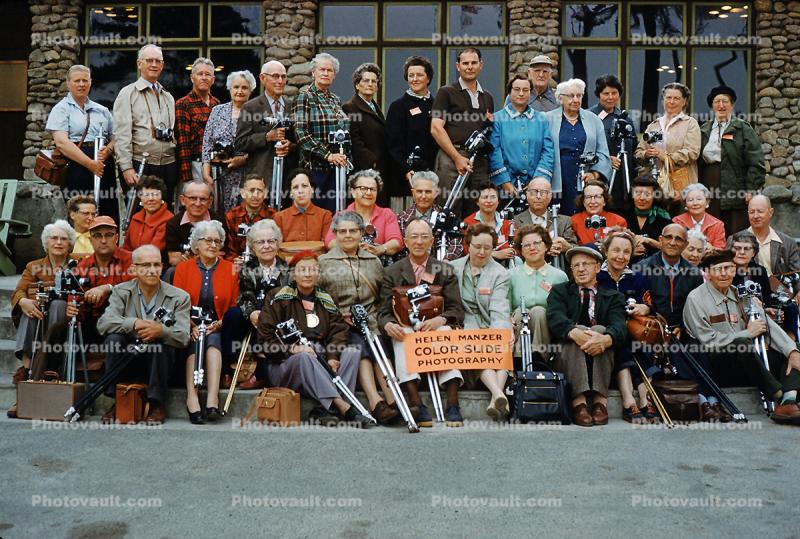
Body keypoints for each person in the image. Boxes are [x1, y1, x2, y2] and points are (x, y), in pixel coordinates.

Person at [258, 251, 373, 428]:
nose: (307, 274)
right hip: (286, 364)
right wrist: (293, 349)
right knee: (305, 356)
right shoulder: (277, 297)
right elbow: (265, 339)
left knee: (351, 352)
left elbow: (339, 331)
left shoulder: (326, 299)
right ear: (293, 273)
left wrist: (333, 356)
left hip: (320, 359)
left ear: (319, 273)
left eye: (312, 269)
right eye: (302, 269)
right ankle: (343, 407)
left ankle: (325, 410)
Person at [683, 250, 800, 425]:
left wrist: (792, 350)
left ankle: (788, 402)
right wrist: (747, 333)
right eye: (718, 269)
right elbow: (707, 340)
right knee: (741, 342)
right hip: (718, 364)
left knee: (791, 348)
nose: (724, 273)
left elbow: (768, 325)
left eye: (729, 268)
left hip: (750, 363)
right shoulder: (696, 299)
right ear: (707, 273)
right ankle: (777, 393)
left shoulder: (741, 293)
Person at [378, 218, 466, 427]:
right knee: (402, 336)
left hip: (435, 327)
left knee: (446, 332)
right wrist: (389, 325)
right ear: (406, 242)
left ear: (432, 241)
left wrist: (440, 319)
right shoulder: (392, 272)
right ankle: (417, 403)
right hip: (407, 326)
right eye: (414, 237)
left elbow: (457, 310)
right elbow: (383, 311)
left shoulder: (443, 270)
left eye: (424, 237)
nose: (419, 241)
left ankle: (453, 403)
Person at [318, 211, 399, 424]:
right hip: (339, 323)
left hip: (370, 319)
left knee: (378, 345)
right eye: (342, 231)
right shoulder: (324, 262)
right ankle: (375, 402)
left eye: (353, 231)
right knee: (359, 345)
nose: (347, 235)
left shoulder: (373, 261)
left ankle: (394, 399)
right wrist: (336, 315)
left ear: (361, 233)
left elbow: (383, 295)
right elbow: (317, 298)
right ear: (334, 234)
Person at [96, 245, 191, 425]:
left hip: (161, 363)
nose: (152, 270)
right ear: (134, 269)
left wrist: (161, 331)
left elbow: (184, 336)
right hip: (130, 357)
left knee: (162, 343)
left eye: (156, 265)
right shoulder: (121, 291)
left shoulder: (179, 296)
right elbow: (104, 324)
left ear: (162, 267)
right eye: (145, 265)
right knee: (113, 339)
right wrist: (134, 323)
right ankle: (120, 399)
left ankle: (156, 403)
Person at [547, 246, 627, 427]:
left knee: (599, 329)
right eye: (576, 266)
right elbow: (555, 318)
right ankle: (579, 402)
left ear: (598, 268)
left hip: (602, 352)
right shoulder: (560, 291)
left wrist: (606, 339)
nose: (581, 269)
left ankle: (600, 401)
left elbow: (619, 326)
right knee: (580, 329)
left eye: (586, 264)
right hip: (568, 353)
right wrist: (575, 333)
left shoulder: (613, 296)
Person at [173, 220, 239, 424]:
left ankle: (212, 399)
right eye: (208, 240)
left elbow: (234, 304)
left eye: (217, 241)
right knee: (195, 340)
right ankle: (192, 398)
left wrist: (219, 323)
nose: (213, 245)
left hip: (218, 324)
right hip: (190, 323)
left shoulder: (231, 269)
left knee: (214, 341)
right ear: (196, 244)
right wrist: (191, 326)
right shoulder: (183, 269)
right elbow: (177, 302)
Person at [451, 223, 512, 420]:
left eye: (488, 247)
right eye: (477, 246)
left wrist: (499, 333)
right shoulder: (453, 268)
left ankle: (497, 396)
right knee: (476, 343)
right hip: (466, 325)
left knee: (502, 342)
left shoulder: (500, 273)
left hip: (491, 321)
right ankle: (499, 395)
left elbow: (500, 309)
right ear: (468, 244)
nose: (482, 252)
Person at [597, 230, 659, 423]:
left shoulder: (638, 278)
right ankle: (628, 398)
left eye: (626, 251)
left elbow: (650, 304)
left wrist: (645, 307)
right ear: (606, 251)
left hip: (634, 329)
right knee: (623, 339)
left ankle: (644, 397)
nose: (620, 256)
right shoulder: (598, 276)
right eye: (615, 250)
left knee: (639, 341)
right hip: (608, 328)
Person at [10, 220, 77, 390]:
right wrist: (23, 301)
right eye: (54, 238)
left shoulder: (78, 265)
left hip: (64, 320)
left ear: (70, 244)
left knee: (57, 305)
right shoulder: (34, 266)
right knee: (30, 309)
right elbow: (19, 291)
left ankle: (50, 365)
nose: (58, 242)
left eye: (63, 239)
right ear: (46, 243)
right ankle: (26, 367)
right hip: (39, 318)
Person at [223, 219, 290, 390]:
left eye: (271, 241)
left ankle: (261, 374)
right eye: (261, 242)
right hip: (253, 315)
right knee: (232, 315)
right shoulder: (246, 268)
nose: (266, 246)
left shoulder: (287, 269)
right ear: (253, 247)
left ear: (278, 243)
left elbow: (287, 300)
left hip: (276, 317)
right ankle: (230, 369)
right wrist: (251, 313)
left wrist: (266, 316)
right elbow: (244, 296)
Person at [431, 47, 495, 217]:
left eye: (474, 63)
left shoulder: (487, 97)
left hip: (478, 161)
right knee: (448, 209)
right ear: (458, 66)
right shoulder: (446, 92)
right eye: (465, 63)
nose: (469, 67)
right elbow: (436, 128)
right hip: (451, 157)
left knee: (476, 211)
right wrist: (457, 157)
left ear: (481, 65)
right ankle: (447, 244)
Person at [45, 65, 116, 218]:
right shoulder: (61, 109)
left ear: (90, 82)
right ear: (68, 83)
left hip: (103, 163)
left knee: (106, 209)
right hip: (76, 165)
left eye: (85, 80)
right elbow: (62, 143)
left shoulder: (102, 110)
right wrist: (90, 164)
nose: (81, 84)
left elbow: (116, 137)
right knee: (79, 211)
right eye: (77, 81)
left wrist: (108, 149)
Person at [113, 44, 177, 206]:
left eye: (158, 61)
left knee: (165, 215)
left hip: (168, 165)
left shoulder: (168, 97)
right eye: (149, 60)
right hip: (140, 165)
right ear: (139, 63)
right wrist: (126, 167)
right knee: (138, 214)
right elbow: (122, 135)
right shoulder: (127, 94)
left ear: (162, 65)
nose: (154, 64)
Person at [699, 86, 765, 234]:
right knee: (711, 226)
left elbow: (756, 161)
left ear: (732, 104)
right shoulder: (704, 129)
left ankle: (736, 256)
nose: (721, 105)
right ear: (712, 106)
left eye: (725, 101)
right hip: (709, 182)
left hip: (735, 186)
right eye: (717, 101)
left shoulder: (742, 128)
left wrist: (752, 188)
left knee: (735, 229)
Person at [292, 53, 351, 212]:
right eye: (322, 69)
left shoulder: (335, 100)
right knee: (315, 213)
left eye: (329, 70)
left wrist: (344, 156)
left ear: (334, 75)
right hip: (315, 169)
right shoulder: (304, 97)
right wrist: (327, 155)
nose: (325, 73)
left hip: (337, 169)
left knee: (335, 214)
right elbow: (301, 134)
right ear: (313, 73)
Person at [545, 78, 611, 216]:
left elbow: (603, 153)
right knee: (559, 217)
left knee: (584, 217)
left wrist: (595, 173)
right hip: (558, 176)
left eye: (579, 95)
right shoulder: (547, 119)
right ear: (560, 98)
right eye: (570, 96)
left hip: (585, 178)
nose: (575, 100)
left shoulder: (594, 120)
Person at [234, 60, 295, 206]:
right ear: (263, 78)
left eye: (283, 77)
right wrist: (266, 137)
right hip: (261, 177)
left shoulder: (292, 106)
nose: (280, 81)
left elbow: (299, 140)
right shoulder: (251, 107)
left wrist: (290, 146)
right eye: (275, 76)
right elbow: (240, 142)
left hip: (287, 177)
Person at [508, 224, 569, 362]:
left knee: (539, 311)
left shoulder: (560, 276)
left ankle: (538, 359)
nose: (532, 248)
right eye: (526, 245)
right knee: (519, 312)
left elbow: (564, 310)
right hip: (517, 326)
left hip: (548, 328)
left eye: (536, 243)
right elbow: (504, 304)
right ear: (521, 251)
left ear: (547, 246)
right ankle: (518, 360)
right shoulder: (510, 275)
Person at [488, 74, 554, 197]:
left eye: (525, 90)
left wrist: (537, 181)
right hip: (505, 188)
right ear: (509, 92)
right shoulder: (497, 119)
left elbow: (548, 152)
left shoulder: (541, 119)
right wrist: (505, 181)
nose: (521, 93)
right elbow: (494, 151)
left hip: (535, 188)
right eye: (517, 89)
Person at [634, 83, 701, 203]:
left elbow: (692, 152)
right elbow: (638, 152)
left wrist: (665, 157)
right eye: (668, 97)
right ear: (663, 100)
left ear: (684, 102)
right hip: (654, 183)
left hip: (680, 183)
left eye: (676, 98)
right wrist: (646, 154)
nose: (672, 101)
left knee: (678, 218)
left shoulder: (690, 123)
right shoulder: (653, 124)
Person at [72, 217, 135, 341]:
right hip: (90, 324)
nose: (103, 240)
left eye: (109, 235)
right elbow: (74, 297)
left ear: (116, 238)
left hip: (123, 321)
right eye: (97, 236)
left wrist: (107, 288)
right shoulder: (82, 265)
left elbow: (135, 287)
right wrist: (72, 306)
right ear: (91, 240)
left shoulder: (131, 259)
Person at [201, 70, 256, 212]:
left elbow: (261, 145)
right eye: (236, 87)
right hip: (219, 173)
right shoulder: (217, 111)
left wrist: (243, 159)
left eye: (244, 87)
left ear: (251, 90)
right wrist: (206, 171)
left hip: (247, 171)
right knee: (219, 211)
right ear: (229, 88)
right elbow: (207, 142)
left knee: (244, 212)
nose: (239, 91)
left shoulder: (257, 113)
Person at [385, 56, 437, 202]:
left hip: (432, 176)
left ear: (428, 78)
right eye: (411, 75)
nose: (415, 79)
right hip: (405, 178)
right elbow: (392, 145)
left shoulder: (437, 105)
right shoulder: (398, 106)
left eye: (419, 75)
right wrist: (406, 170)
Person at [635, 223, 704, 332]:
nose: (672, 243)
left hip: (683, 332)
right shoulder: (641, 268)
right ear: (661, 240)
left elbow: (697, 309)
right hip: (649, 330)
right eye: (668, 237)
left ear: (685, 245)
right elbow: (635, 303)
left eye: (678, 239)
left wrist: (682, 327)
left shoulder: (694, 274)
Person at [323, 170, 403, 263]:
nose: (368, 193)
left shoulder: (386, 214)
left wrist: (380, 249)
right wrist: (353, 248)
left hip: (379, 267)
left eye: (373, 189)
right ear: (353, 191)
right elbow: (329, 241)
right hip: (347, 267)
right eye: (363, 188)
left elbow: (397, 242)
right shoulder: (341, 216)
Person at [589, 74, 637, 212]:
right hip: (601, 179)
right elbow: (584, 148)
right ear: (599, 95)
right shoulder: (589, 117)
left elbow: (633, 148)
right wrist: (605, 159)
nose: (610, 97)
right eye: (606, 93)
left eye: (614, 93)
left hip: (624, 179)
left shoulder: (625, 118)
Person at [343, 63, 389, 206]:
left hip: (380, 171)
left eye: (374, 81)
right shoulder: (349, 107)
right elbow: (354, 141)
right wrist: (372, 161)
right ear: (357, 85)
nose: (370, 84)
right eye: (366, 80)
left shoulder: (375, 107)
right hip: (364, 171)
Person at [397, 170, 464, 261]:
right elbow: (399, 251)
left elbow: (456, 244)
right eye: (419, 191)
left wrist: (446, 260)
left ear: (436, 193)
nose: (423, 196)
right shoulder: (401, 219)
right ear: (413, 193)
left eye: (428, 192)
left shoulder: (447, 216)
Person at [175, 57, 220, 184]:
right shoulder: (183, 104)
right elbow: (183, 143)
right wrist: (187, 178)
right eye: (200, 74)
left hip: (215, 165)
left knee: (214, 203)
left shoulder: (217, 104)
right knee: (194, 202)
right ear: (192, 77)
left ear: (213, 79)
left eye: (208, 74)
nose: (204, 77)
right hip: (194, 165)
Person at [164, 180, 229, 268]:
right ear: (183, 200)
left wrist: (192, 258)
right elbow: (173, 259)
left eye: (203, 199)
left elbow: (221, 254)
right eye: (193, 198)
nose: (198, 203)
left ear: (210, 202)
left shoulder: (219, 222)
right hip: (185, 269)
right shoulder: (173, 224)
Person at [512, 177, 576, 265]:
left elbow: (576, 251)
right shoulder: (515, 221)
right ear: (527, 194)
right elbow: (514, 251)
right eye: (534, 192)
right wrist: (545, 248)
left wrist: (567, 247)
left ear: (550, 196)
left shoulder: (564, 221)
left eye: (543, 192)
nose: (538, 196)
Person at [223, 174, 275, 263]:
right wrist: (233, 260)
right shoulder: (231, 216)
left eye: (259, 191)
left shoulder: (273, 217)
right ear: (243, 193)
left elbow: (276, 246)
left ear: (265, 194)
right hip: (237, 265)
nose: (255, 195)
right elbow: (228, 248)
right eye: (251, 190)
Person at [272, 169, 333, 244]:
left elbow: (327, 245)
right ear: (291, 193)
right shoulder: (279, 218)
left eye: (304, 186)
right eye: (295, 187)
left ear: (312, 189)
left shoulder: (325, 216)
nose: (300, 191)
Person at [746, 194, 800, 278]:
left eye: (760, 211)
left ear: (771, 212)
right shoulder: (735, 241)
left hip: (781, 289)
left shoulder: (788, 243)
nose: (755, 216)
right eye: (752, 212)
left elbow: (797, 274)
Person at [622, 176, 671, 261]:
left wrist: (648, 241)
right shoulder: (623, 216)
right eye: (638, 193)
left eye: (647, 194)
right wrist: (629, 251)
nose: (642, 198)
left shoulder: (663, 218)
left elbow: (671, 248)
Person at [462, 183, 513, 263]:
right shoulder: (468, 222)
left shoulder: (507, 221)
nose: (489, 201)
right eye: (484, 197)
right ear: (477, 202)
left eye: (493, 197)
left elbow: (515, 246)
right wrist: (493, 254)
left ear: (498, 201)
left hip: (504, 262)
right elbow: (466, 249)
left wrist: (507, 252)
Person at [122, 175, 174, 252]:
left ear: (162, 197)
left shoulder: (169, 220)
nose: (150, 199)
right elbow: (126, 247)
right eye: (146, 195)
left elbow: (153, 251)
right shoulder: (136, 218)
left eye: (155, 195)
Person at [571, 180, 627, 246]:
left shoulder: (619, 221)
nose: (592, 201)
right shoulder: (573, 221)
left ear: (605, 201)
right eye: (588, 197)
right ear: (583, 201)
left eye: (597, 196)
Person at [672, 183, 726, 250]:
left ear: (707, 202)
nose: (695, 203)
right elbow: (674, 246)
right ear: (685, 205)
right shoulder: (677, 222)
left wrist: (712, 249)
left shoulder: (717, 225)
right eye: (690, 200)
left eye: (699, 199)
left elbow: (720, 250)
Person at [730, 230, 772, 306]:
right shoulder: (725, 270)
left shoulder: (760, 270)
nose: (742, 252)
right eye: (737, 248)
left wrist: (767, 309)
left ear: (753, 253)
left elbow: (767, 299)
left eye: (746, 249)